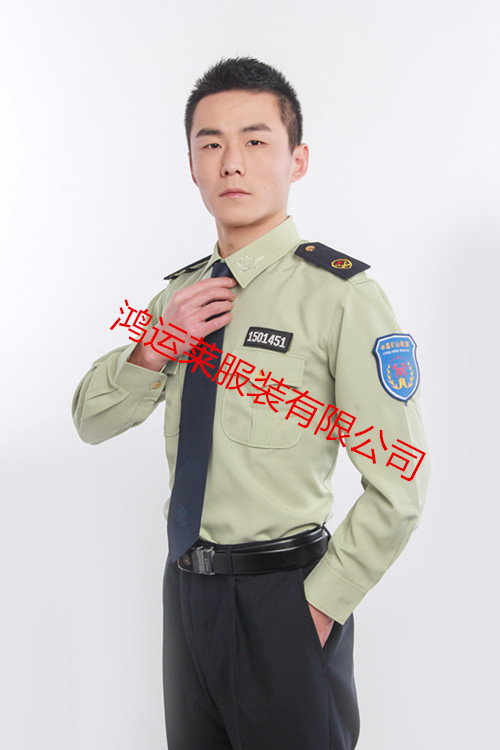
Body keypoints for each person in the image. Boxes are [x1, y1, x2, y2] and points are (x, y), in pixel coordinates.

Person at [72, 57, 429, 750]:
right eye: (210, 143)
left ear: (297, 160)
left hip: (284, 598)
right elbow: (89, 420)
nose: (231, 162)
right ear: (192, 165)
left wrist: (320, 606)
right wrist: (156, 345)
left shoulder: (342, 297)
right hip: (186, 593)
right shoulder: (181, 298)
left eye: (255, 140)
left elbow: (401, 479)